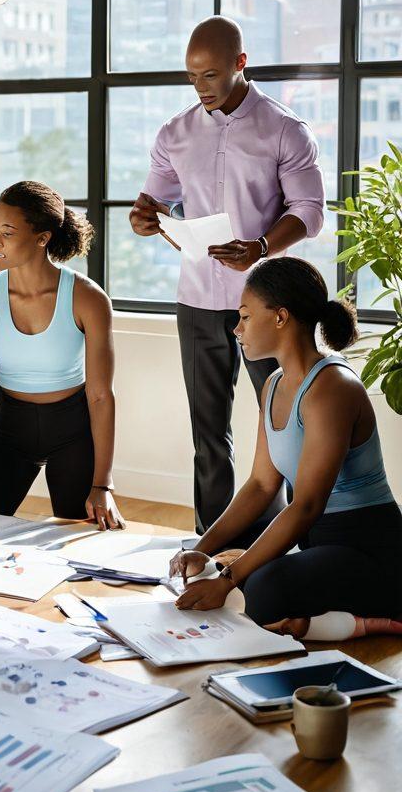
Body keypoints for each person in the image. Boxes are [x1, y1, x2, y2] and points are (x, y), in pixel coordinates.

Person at [129, 16, 325, 539]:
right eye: (192, 77)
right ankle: (210, 546)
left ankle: (283, 544)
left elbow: (310, 211)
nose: (201, 88)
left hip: (266, 304)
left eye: (211, 75)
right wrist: (146, 217)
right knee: (208, 435)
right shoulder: (175, 132)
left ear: (241, 64)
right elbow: (156, 199)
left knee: (284, 430)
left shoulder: (285, 129)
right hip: (196, 300)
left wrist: (260, 247)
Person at [170, 257, 402, 640]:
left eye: (244, 316)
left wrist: (228, 578)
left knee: (262, 592)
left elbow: (307, 505)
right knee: (229, 551)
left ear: (280, 317)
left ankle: (371, 622)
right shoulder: (274, 383)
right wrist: (202, 550)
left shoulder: (332, 388)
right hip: (315, 538)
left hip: (368, 547)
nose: (236, 328)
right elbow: (261, 485)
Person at [0, 180, 124, 543]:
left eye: (7, 232)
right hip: (10, 431)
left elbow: (100, 396)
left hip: (73, 432)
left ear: (42, 238)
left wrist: (103, 484)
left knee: (82, 544)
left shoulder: (88, 298)